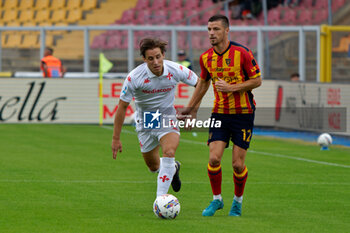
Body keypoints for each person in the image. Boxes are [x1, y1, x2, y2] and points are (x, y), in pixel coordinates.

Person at [179, 15, 261, 217]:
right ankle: (217, 200)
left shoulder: (242, 53)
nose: (211, 33)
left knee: (237, 164)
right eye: (208, 29)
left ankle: (237, 202)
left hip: (243, 114)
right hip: (219, 114)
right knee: (214, 158)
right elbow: (203, 83)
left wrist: (232, 87)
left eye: (215, 29)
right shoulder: (206, 57)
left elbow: (257, 80)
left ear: (226, 30)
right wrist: (191, 109)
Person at [111, 37, 198, 198]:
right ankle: (173, 168)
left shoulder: (175, 69)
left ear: (163, 54)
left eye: (158, 56)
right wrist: (116, 138)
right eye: (150, 58)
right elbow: (122, 107)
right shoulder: (134, 77)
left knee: (169, 151)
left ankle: (160, 200)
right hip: (146, 120)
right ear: (144, 59)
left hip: (166, 115)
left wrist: (192, 110)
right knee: (153, 166)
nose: (156, 62)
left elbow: (200, 83)